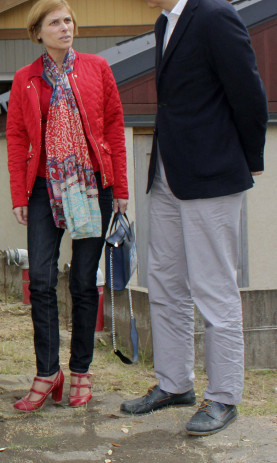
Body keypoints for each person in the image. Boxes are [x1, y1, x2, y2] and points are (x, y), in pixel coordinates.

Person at [120, 0, 267, 436]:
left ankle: (223, 397)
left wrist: (251, 156)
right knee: (164, 281)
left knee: (213, 286)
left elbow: (249, 91)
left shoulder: (214, 14)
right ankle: (174, 383)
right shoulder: (165, 21)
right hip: (167, 171)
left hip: (212, 175)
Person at [6, 0, 128, 411]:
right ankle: (47, 372)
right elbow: (17, 139)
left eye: (68, 20)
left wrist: (122, 189)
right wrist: (19, 195)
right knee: (39, 279)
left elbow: (114, 126)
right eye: (54, 22)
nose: (64, 27)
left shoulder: (97, 68)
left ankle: (81, 371)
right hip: (43, 188)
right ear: (36, 32)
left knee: (81, 280)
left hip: (93, 185)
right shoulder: (25, 79)